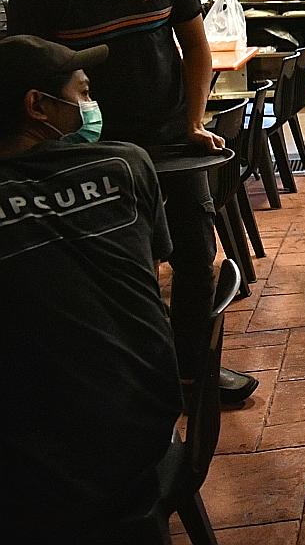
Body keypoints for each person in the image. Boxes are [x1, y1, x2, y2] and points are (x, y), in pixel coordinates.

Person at [6, 0, 256, 407]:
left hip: (169, 136)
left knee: (195, 253)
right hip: (89, 149)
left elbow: (194, 45)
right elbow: (28, 79)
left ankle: (192, 368)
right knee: (121, 264)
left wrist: (193, 119)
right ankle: (130, 380)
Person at [0, 36, 183, 540]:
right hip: (148, 417)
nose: (90, 105)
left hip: (44, 461)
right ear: (37, 106)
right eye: (82, 94)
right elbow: (149, 272)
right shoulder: (125, 164)